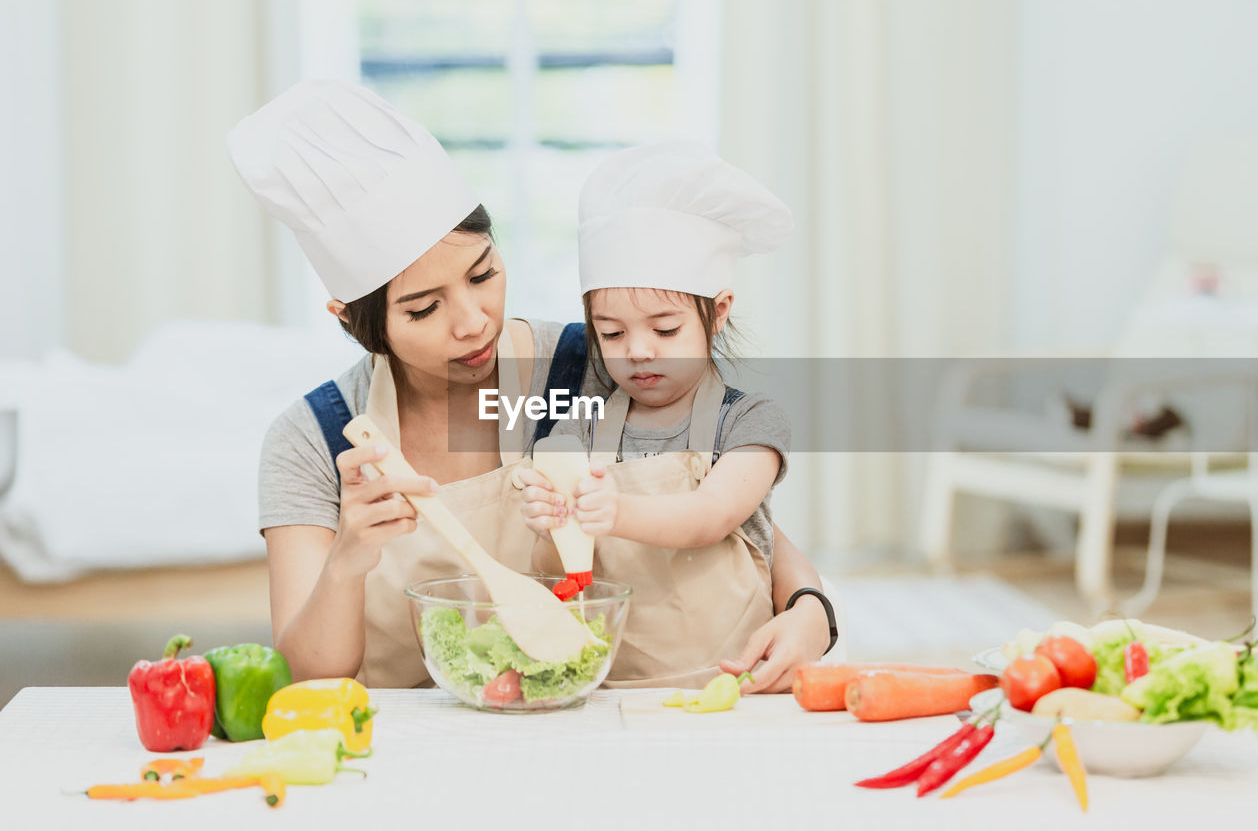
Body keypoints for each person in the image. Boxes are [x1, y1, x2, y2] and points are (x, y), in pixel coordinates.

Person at [226, 79, 835, 691]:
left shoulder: (593, 363)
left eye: (483, 273)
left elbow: (734, 510)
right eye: (423, 310)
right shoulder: (313, 439)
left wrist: (811, 608)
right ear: (351, 322)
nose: (473, 322)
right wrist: (346, 562)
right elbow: (308, 670)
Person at [518, 142, 796, 689]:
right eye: (612, 332)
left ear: (717, 313)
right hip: (607, 683)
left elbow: (710, 515)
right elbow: (556, 561)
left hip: (732, 684)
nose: (637, 351)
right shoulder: (583, 421)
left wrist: (613, 512)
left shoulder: (750, 423)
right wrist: (549, 516)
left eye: (664, 330)